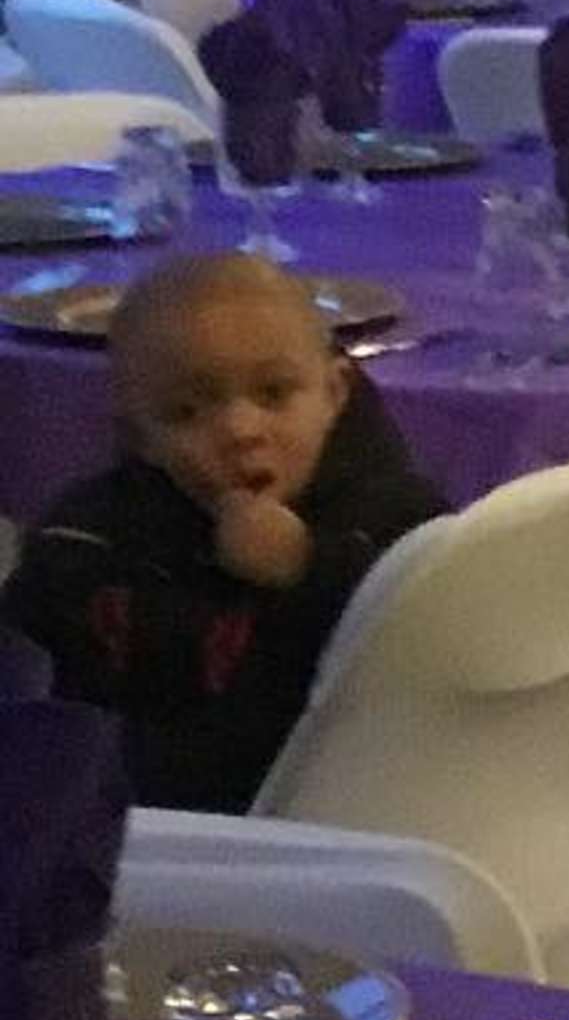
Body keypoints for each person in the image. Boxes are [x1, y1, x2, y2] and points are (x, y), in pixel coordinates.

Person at [1, 252, 447, 813]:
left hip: (335, 835)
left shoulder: (394, 519)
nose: (240, 430)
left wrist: (308, 567)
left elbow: (444, 657)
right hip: (136, 842)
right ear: (139, 433)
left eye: (274, 394)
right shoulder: (87, 537)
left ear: (334, 393)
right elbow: (23, 678)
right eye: (187, 411)